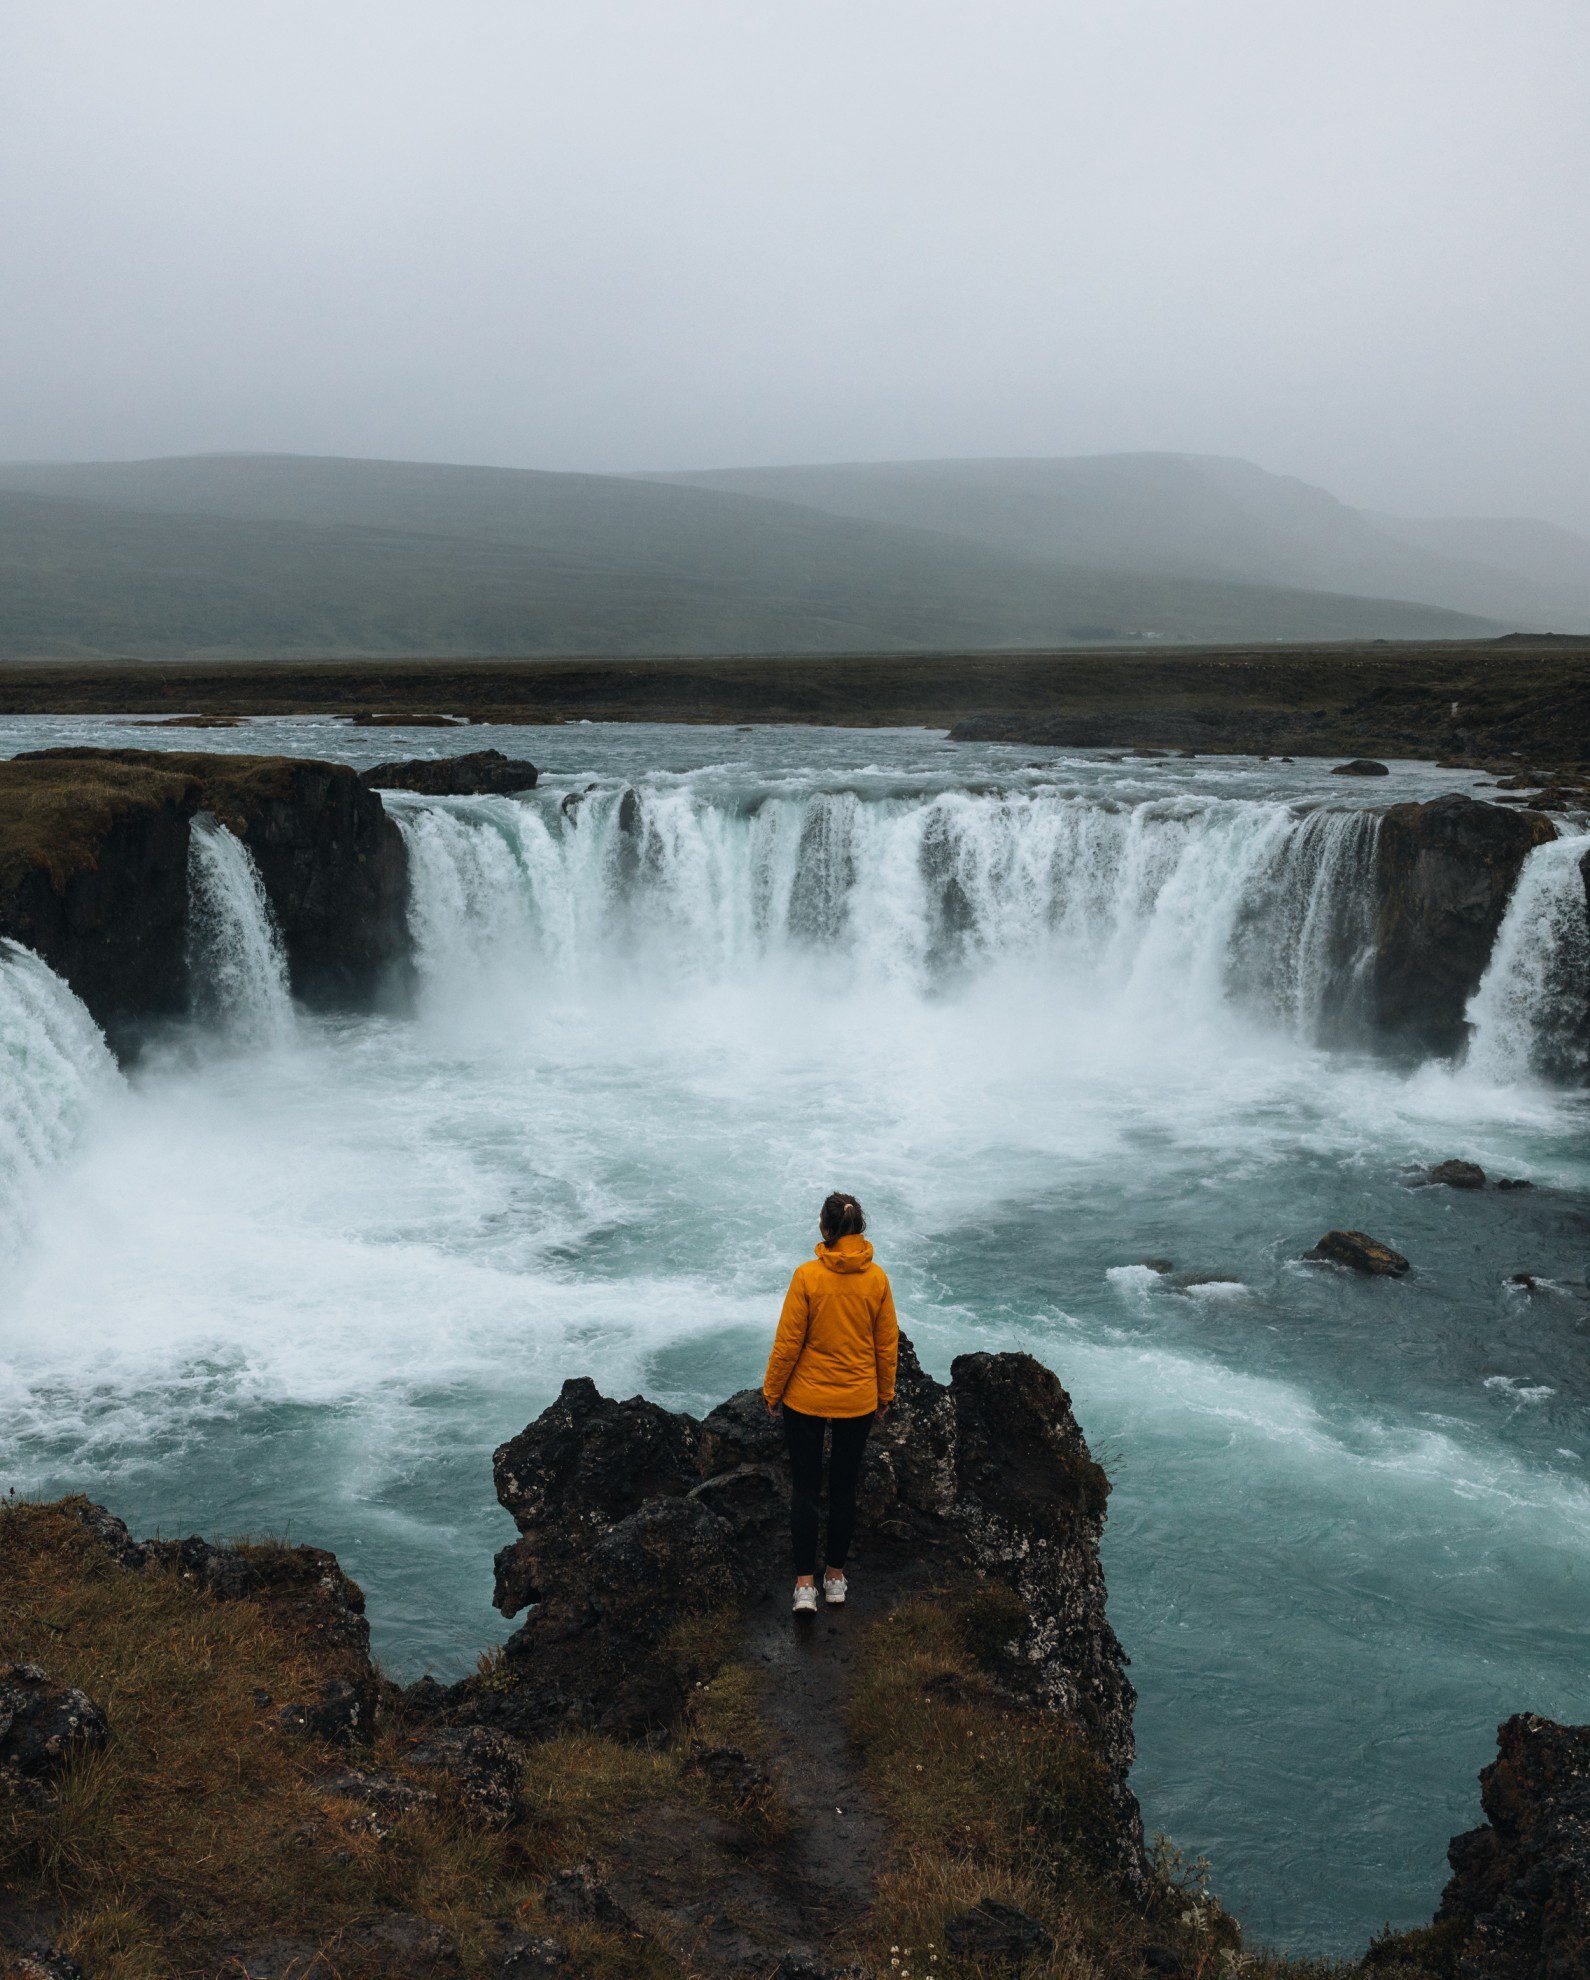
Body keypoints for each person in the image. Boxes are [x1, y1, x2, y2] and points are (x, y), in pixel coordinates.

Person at [762, 1191, 899, 1614]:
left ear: (825, 1228)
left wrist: (772, 1391)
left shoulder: (807, 1277)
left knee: (805, 1490)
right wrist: (884, 1394)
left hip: (805, 1398)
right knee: (843, 1490)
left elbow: (788, 1343)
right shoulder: (877, 1279)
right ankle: (835, 1578)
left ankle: (805, 1586)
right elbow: (886, 1346)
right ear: (859, 1229)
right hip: (857, 1400)